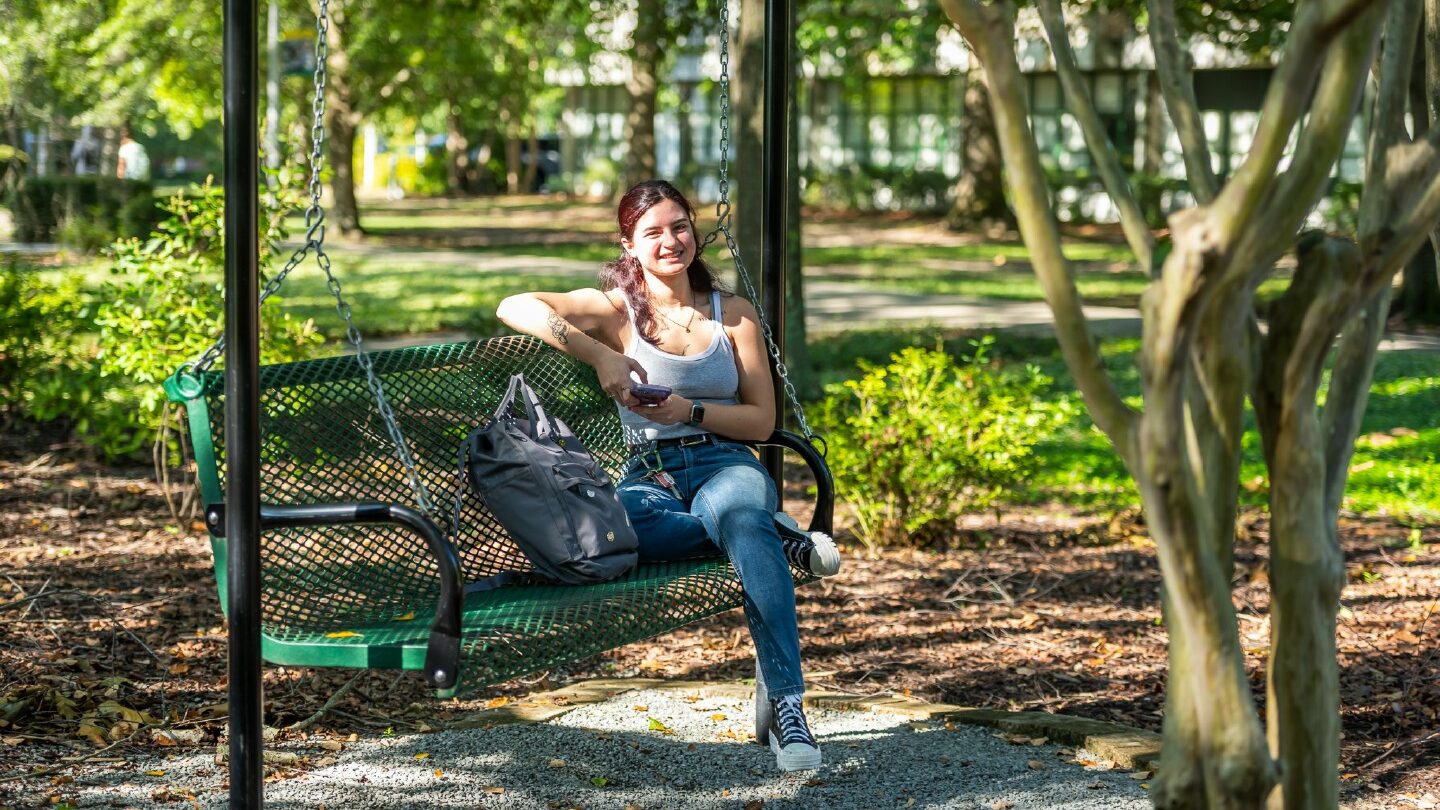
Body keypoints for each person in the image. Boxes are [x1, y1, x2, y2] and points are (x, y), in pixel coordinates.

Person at [497, 179, 841, 772]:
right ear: (628, 245)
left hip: (726, 463)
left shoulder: (731, 315)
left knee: (736, 511)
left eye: (679, 226)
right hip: (649, 478)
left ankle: (788, 707)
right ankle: (775, 531)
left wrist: (690, 411)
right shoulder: (615, 310)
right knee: (635, 528)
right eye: (652, 232)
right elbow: (515, 306)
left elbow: (762, 419)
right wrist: (602, 354)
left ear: (695, 231)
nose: (669, 241)